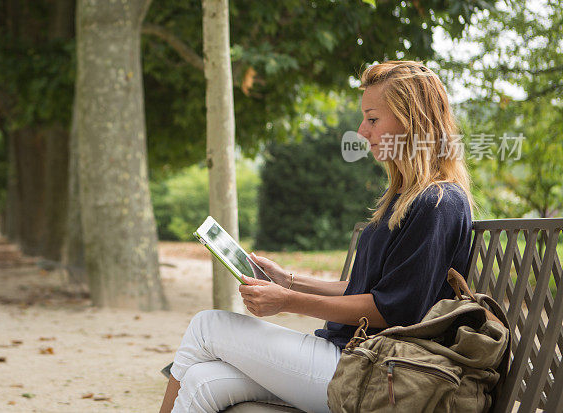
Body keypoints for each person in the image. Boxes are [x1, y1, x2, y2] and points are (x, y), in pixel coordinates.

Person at [160, 61, 475, 413]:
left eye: (372, 119)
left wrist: (286, 302)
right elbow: (367, 290)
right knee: (203, 380)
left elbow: (393, 310)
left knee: (207, 327)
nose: (361, 131)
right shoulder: (406, 200)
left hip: (372, 371)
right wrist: (289, 282)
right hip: (351, 357)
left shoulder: (438, 203)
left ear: (410, 122)